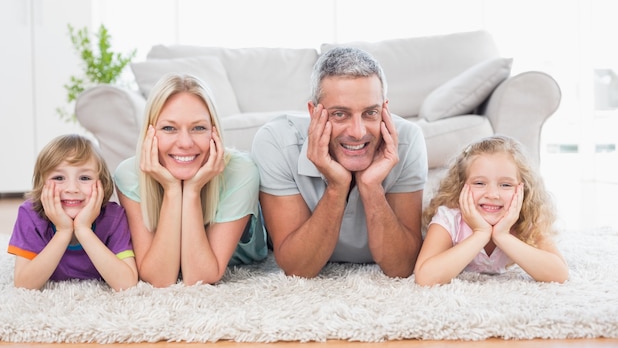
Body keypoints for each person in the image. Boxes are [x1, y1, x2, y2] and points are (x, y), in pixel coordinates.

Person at [251, 47, 428, 278]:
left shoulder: (408, 140)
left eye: (370, 113)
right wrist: (337, 187)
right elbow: (298, 268)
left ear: (385, 110)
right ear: (314, 113)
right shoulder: (275, 142)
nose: (358, 132)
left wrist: (372, 187)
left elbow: (401, 266)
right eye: (340, 114)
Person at [114, 73, 267, 288]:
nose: (185, 143)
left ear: (214, 131)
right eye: (169, 128)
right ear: (150, 133)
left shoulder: (240, 171)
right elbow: (160, 278)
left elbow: (201, 276)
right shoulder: (130, 174)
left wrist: (193, 190)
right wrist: (172, 190)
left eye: (199, 128)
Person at [414, 135, 569, 286]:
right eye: (480, 183)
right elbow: (425, 277)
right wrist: (480, 234)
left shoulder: (526, 216)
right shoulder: (449, 219)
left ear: (523, 189)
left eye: (506, 185)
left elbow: (559, 274)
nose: (492, 195)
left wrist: (502, 236)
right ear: (461, 186)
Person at [7, 134, 138, 291]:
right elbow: (23, 284)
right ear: (42, 184)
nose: (72, 189)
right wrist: (63, 231)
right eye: (59, 177)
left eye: (84, 178)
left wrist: (84, 229)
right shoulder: (30, 214)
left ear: (102, 184)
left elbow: (127, 283)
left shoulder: (114, 217)